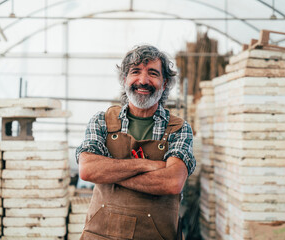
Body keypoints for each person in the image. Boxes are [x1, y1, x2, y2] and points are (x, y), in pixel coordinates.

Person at [76, 45, 196, 240]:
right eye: (135, 72)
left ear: (164, 83)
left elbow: (172, 182)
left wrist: (109, 173)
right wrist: (147, 164)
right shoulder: (102, 121)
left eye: (153, 73)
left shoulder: (179, 129)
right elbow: (88, 170)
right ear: (124, 80)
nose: (143, 80)